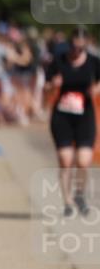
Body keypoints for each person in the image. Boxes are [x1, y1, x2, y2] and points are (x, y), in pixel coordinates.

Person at [44, 26, 100, 217]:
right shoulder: (58, 62)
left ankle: (79, 194)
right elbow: (46, 87)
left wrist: (97, 89)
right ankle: (67, 201)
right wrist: (53, 85)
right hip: (62, 116)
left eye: (81, 48)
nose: (77, 51)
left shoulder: (94, 62)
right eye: (74, 47)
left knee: (84, 161)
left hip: (85, 116)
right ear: (70, 45)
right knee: (66, 160)